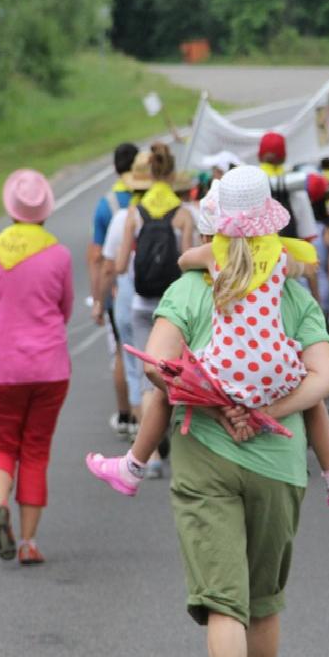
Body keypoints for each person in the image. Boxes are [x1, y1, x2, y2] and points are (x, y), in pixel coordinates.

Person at [89, 186, 329, 657]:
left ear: (211, 228)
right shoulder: (292, 294)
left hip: (205, 459)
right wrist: (264, 411)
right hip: (278, 465)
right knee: (263, 605)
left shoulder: (188, 288)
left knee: (225, 604)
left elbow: (156, 367)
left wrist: (216, 404)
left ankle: (132, 466)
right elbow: (327, 376)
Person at [87, 169, 329, 506]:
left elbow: (183, 260)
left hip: (220, 372)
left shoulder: (213, 258)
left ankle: (133, 466)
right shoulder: (281, 259)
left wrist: (207, 261)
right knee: (312, 397)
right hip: (277, 369)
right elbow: (304, 268)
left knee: (166, 384)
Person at [0, 169, 73, 564]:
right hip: (49, 368)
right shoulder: (60, 254)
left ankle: (0, 503)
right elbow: (65, 309)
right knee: (35, 450)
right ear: (45, 210)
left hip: (0, 367)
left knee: (0, 445)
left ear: (11, 209)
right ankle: (29, 542)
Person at [111, 142, 195, 475]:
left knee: (149, 380)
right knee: (179, 375)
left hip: (141, 304)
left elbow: (119, 264)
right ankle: (180, 443)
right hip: (173, 307)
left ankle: (153, 459)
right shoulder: (184, 213)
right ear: (173, 175)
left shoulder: (134, 212)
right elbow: (188, 262)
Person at [95, 150, 152, 437]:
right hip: (166, 300)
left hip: (130, 299)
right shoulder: (179, 213)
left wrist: (100, 303)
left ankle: (146, 440)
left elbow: (109, 267)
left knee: (134, 368)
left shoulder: (122, 218)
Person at [88, 143, 140, 435]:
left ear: (115, 168)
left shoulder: (107, 205)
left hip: (122, 291)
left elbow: (98, 257)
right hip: (157, 287)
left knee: (123, 354)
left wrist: (99, 298)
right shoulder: (154, 197)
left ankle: (127, 416)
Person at [257, 132, 317, 241]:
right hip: (291, 254)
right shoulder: (296, 186)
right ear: (284, 156)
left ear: (259, 156)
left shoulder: (250, 186)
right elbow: (308, 235)